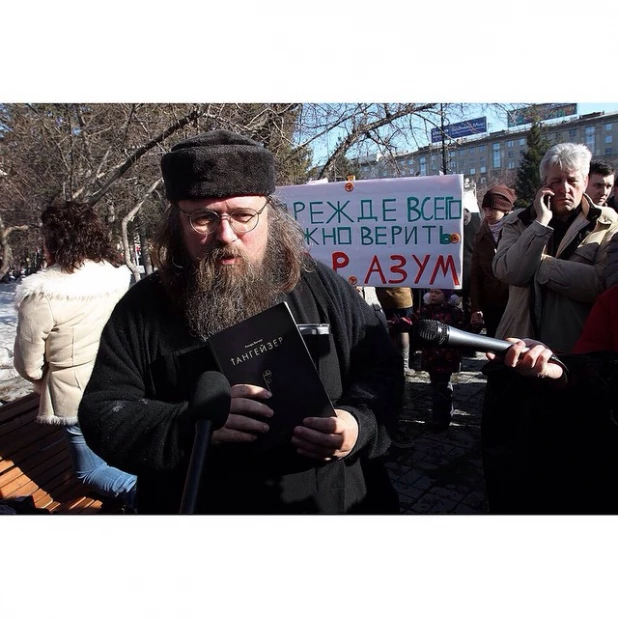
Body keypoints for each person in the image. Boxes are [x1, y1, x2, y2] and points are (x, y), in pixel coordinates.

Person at [78, 129, 403, 515]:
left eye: (243, 216)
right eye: (203, 218)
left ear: (270, 215)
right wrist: (190, 427)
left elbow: (380, 368)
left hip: (326, 502)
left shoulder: (320, 284)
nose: (225, 235)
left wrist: (357, 424)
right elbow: (103, 411)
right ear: (177, 222)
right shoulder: (143, 306)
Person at [13, 201, 136, 509]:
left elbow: (27, 365)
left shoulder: (41, 294)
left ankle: (149, 495)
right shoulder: (115, 276)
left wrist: (44, 381)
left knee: (89, 473)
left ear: (52, 239)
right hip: (122, 383)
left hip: (77, 397)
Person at [492, 142, 618, 354]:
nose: (564, 188)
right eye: (556, 181)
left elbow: (602, 283)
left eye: (572, 180)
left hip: (574, 349)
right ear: (544, 184)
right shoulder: (519, 220)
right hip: (517, 344)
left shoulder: (607, 222)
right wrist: (541, 223)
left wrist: (539, 265)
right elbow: (508, 272)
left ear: (585, 181)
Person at [469, 184, 516, 338]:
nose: (488, 214)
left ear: (505, 209)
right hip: (491, 302)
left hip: (515, 301)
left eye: (492, 209)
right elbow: (475, 274)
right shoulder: (481, 236)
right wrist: (475, 306)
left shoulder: (519, 231)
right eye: (486, 209)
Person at [375, 286, 415, 376]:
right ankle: (404, 366)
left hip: (383, 296)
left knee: (386, 328)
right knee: (403, 330)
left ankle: (389, 364)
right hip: (402, 296)